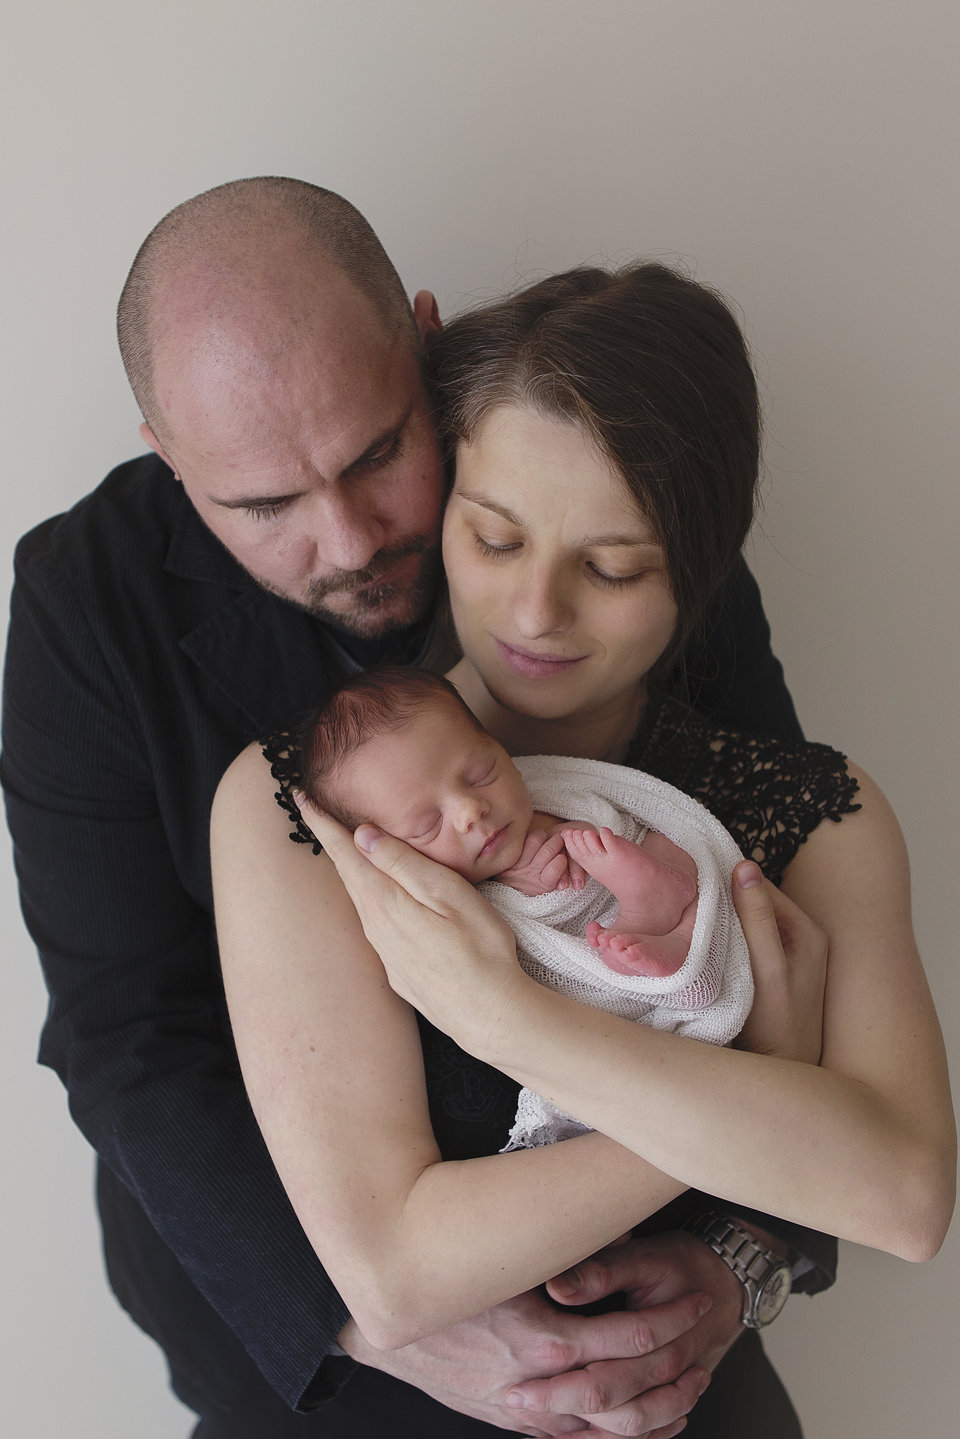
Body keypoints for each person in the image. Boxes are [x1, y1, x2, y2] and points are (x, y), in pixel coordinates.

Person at [2, 176, 839, 1439]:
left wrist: (743, 1253)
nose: (347, 539)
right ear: (170, 457)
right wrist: (378, 1322)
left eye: (378, 454)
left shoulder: (611, 490)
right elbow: (126, 1032)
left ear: (428, 347)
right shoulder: (86, 603)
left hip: (656, 1309)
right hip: (307, 1347)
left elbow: (778, 880)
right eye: (265, 506)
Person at [210, 262, 955, 1433]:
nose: (535, 612)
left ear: (699, 570)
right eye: (494, 538)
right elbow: (396, 1273)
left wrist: (511, 1019)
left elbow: (903, 1196)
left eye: (611, 567)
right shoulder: (312, 799)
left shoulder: (814, 812)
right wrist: (761, 1075)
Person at [297, 663, 753, 1152]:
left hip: (642, 878)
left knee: (658, 842)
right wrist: (529, 889)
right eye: (427, 826)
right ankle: (666, 944)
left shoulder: (544, 794)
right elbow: (487, 958)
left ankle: (659, 906)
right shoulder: (439, 897)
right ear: (390, 850)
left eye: (481, 773)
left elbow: (610, 811)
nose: (470, 811)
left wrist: (566, 839)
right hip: (615, 1000)